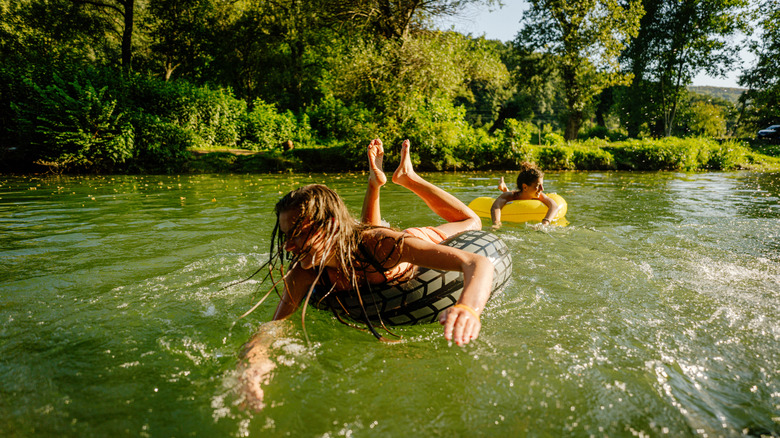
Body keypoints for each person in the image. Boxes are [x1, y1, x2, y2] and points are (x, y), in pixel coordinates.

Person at [237, 139, 494, 410]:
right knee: (361, 239)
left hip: (399, 250)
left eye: (297, 235)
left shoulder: (386, 245)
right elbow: (274, 326)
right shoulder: (304, 271)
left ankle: (409, 177)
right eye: (286, 237)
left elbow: (478, 262)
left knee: (472, 222)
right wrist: (253, 366)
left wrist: (468, 307)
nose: (288, 247)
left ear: (329, 226)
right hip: (361, 247)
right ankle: (374, 183)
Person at [490, 162, 559, 229]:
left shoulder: (540, 196)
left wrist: (545, 222)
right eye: (538, 186)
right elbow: (496, 206)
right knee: (507, 193)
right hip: (516, 196)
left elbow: (554, 206)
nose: (542, 189)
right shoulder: (512, 195)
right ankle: (503, 187)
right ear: (525, 187)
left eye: (542, 185)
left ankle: (504, 187)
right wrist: (496, 223)